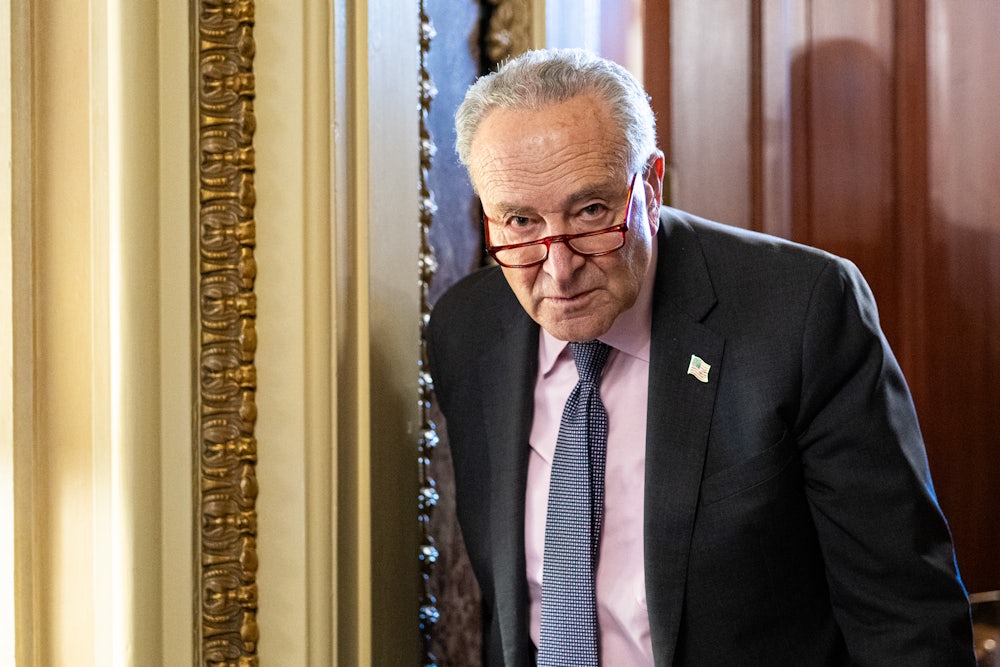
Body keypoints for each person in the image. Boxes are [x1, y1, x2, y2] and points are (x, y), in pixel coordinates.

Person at [426, 48, 974, 666]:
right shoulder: (467, 332)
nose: (559, 268)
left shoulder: (802, 313)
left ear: (651, 185)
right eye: (521, 222)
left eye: (592, 212)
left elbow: (903, 618)